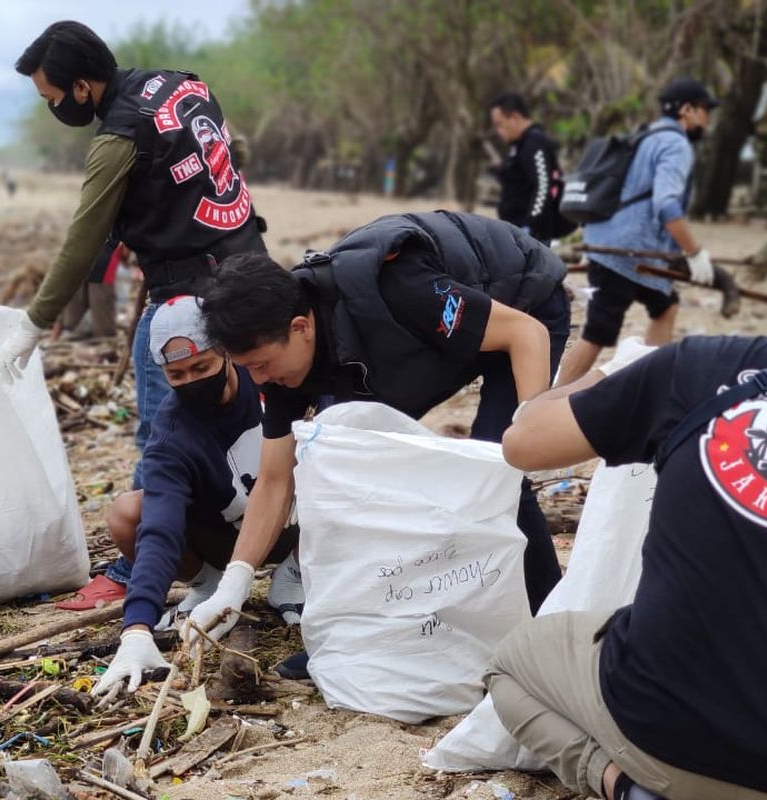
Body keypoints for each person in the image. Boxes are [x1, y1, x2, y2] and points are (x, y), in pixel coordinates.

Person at [493, 249, 767, 799]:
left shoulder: (700, 364)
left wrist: (619, 376)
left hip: (669, 741)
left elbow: (523, 442)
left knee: (511, 664)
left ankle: (625, 788)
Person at [186, 210, 569, 651]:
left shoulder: (397, 290)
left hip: (521, 304)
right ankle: (369, 632)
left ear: (301, 327)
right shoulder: (281, 361)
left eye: (261, 365)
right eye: (246, 369)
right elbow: (274, 480)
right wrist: (234, 583)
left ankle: (549, 626)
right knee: (355, 476)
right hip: (417, 351)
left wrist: (528, 428)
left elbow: (526, 334)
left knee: (499, 469)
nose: (257, 380)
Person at [0, 21, 266, 492]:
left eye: (50, 98)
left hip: (187, 300)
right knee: (247, 412)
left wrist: (32, 325)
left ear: (81, 87)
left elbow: (83, 240)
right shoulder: (184, 83)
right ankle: (246, 522)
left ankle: (147, 546)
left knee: (162, 435)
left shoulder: (119, 136)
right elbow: (231, 149)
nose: (53, 107)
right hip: (253, 272)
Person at [83, 296, 302, 692]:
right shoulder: (171, 434)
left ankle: (294, 571)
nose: (192, 381)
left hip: (295, 520)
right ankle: (208, 583)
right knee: (128, 512)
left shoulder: (267, 381)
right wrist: (136, 629)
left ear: (225, 352)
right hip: (225, 535)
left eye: (201, 367)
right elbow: (159, 530)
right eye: (177, 375)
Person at [555, 78, 728, 387]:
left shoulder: (647, 134)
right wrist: (694, 253)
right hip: (627, 252)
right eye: (704, 111)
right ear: (686, 110)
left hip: (608, 243)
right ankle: (542, 402)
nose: (708, 119)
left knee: (665, 305)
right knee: (598, 332)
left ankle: (646, 381)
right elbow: (666, 205)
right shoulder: (676, 144)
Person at [488, 92, 574, 246]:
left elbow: (543, 186)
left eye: (499, 124)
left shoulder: (535, 143)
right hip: (513, 229)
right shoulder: (519, 145)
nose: (498, 131)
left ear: (514, 117)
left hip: (530, 235)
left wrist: (531, 226)